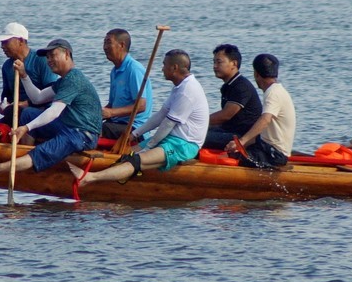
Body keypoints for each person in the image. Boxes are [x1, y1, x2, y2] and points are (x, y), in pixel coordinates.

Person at [75, 50, 208, 185]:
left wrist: (149, 146)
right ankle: (109, 181)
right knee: (126, 156)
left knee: (134, 160)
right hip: (171, 138)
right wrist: (134, 134)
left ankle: (88, 178)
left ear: (174, 68)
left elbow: (168, 124)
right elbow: (160, 115)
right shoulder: (179, 87)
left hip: (183, 145)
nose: (162, 69)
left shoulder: (188, 91)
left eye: (164, 65)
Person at [0, 38, 102, 178]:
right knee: (28, 114)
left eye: (53, 55)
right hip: (68, 125)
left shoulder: (74, 79)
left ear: (66, 54)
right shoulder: (64, 80)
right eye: (47, 57)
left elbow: (54, 112)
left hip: (83, 135)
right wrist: (24, 75)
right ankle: (22, 157)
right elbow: (38, 98)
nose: (49, 61)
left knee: (44, 147)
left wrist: (26, 128)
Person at [226, 54, 296, 170]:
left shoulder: (273, 93)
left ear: (256, 74)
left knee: (236, 158)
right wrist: (241, 143)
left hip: (276, 155)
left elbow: (265, 120)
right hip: (267, 147)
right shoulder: (276, 90)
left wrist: (242, 142)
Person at [0, 21, 58, 126]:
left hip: (40, 113)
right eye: (2, 43)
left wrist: (25, 104)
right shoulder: (6, 66)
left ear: (21, 41)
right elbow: (6, 95)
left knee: (22, 113)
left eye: (6, 42)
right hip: (14, 113)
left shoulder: (41, 61)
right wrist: (3, 105)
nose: (2, 46)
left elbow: (53, 93)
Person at [204, 44, 263, 149]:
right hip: (229, 130)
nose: (215, 66)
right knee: (194, 130)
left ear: (234, 64)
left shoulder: (241, 86)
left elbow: (226, 115)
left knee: (196, 135)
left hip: (242, 137)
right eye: (214, 62)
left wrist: (199, 121)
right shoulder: (229, 85)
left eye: (219, 62)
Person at [99, 29, 153, 141]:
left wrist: (111, 113)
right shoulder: (114, 71)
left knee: (100, 129)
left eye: (108, 42)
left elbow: (141, 106)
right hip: (116, 123)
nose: (105, 47)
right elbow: (112, 105)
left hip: (135, 129)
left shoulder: (134, 69)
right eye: (104, 43)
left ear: (122, 45)